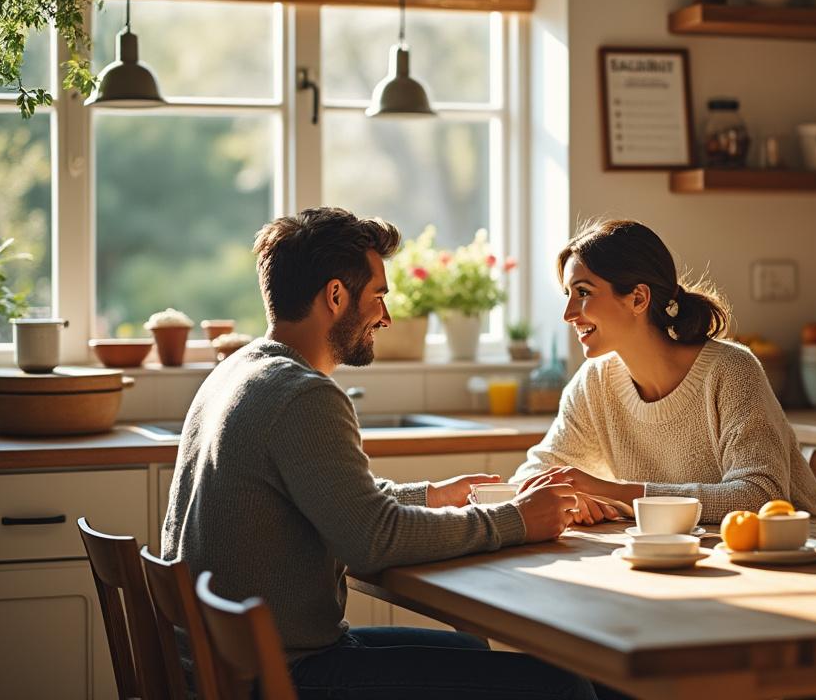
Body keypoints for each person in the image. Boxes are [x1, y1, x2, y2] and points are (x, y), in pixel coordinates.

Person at [161, 207, 597, 700]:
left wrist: (432, 496)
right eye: (379, 296)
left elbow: (341, 503)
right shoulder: (303, 395)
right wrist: (517, 519)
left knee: (473, 648)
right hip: (285, 678)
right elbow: (373, 540)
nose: (386, 317)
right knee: (563, 688)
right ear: (335, 295)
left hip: (225, 671)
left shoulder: (237, 371)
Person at [513, 219, 816, 525]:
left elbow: (759, 496)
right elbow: (536, 476)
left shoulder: (732, 372)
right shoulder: (594, 382)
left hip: (812, 550)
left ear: (638, 298)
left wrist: (617, 494)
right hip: (699, 554)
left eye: (583, 292)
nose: (568, 313)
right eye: (568, 295)